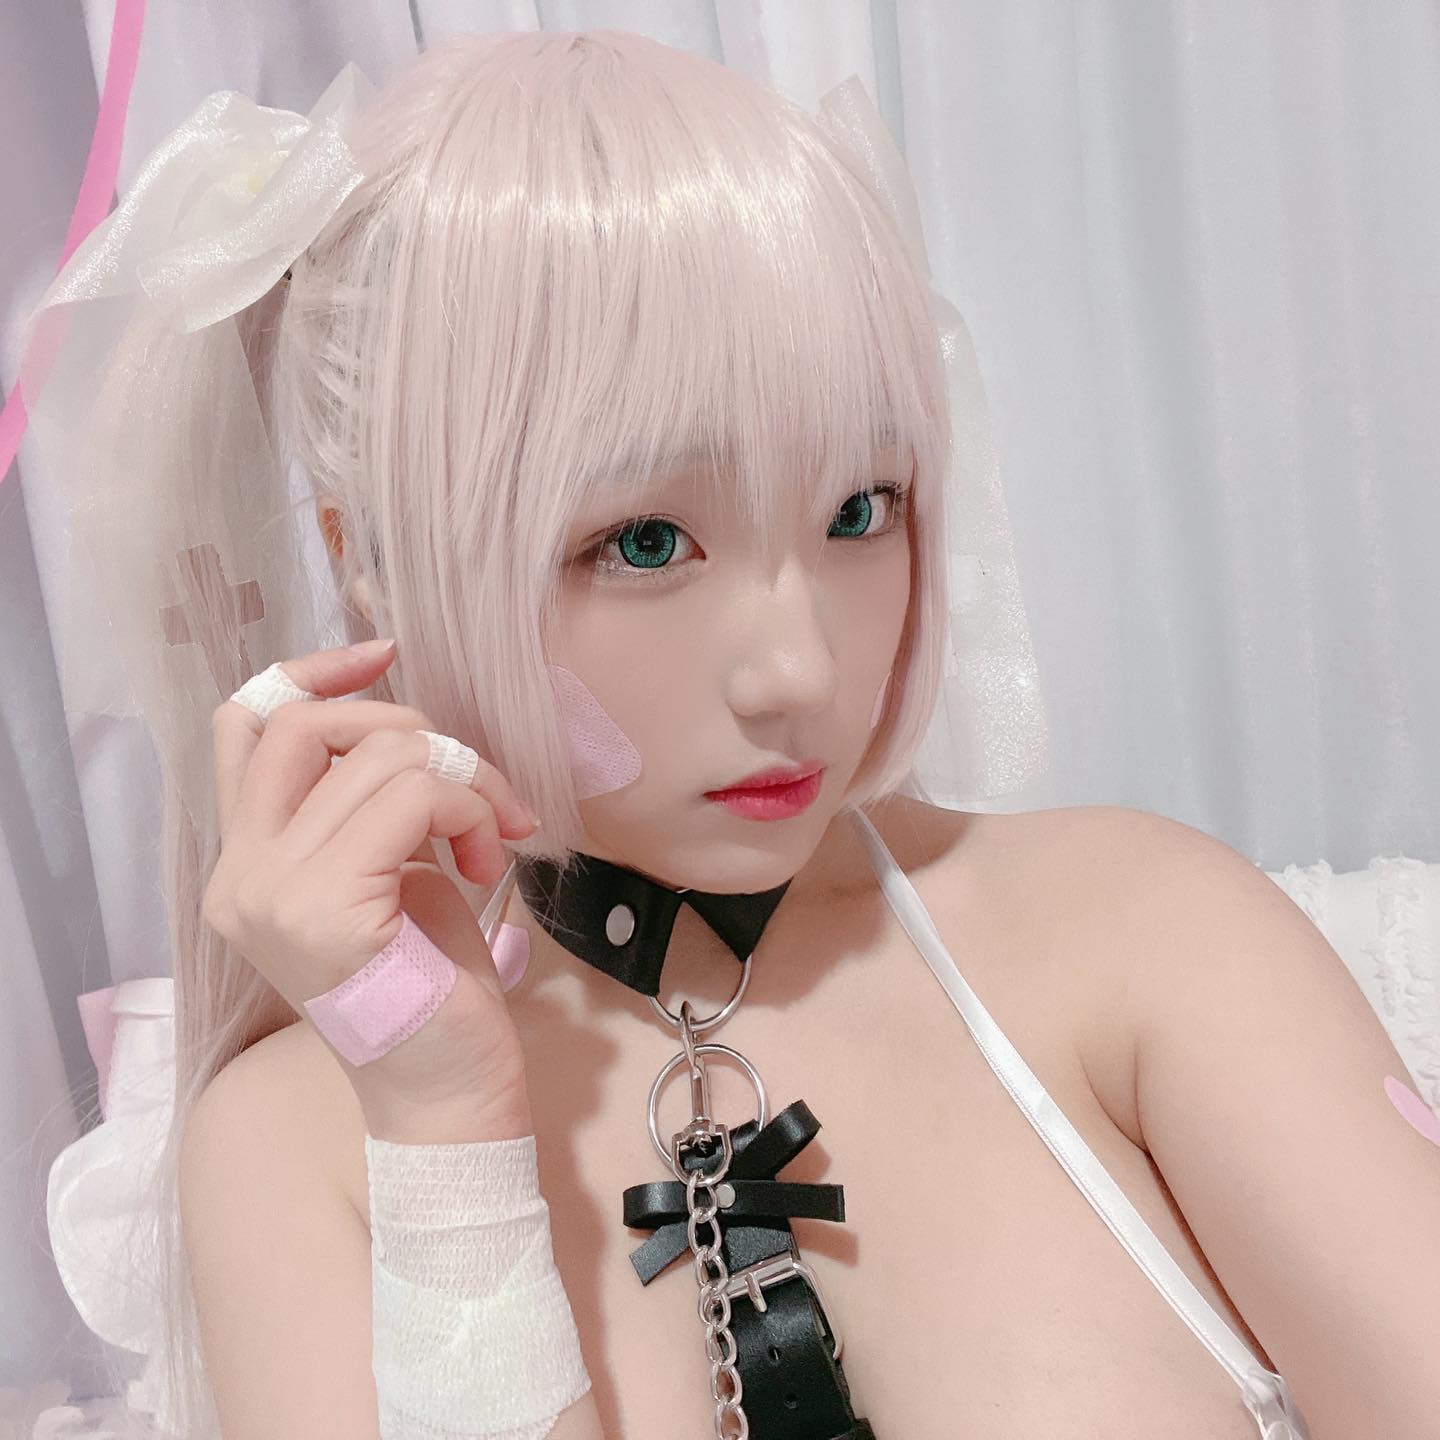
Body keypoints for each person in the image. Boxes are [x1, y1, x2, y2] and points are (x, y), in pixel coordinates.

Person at [25, 26, 1439, 1440]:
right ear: (374, 561)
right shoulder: (301, 1148)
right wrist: (446, 1137)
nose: (799, 669)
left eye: (859, 510)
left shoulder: (1140, 931)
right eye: (647, 539)